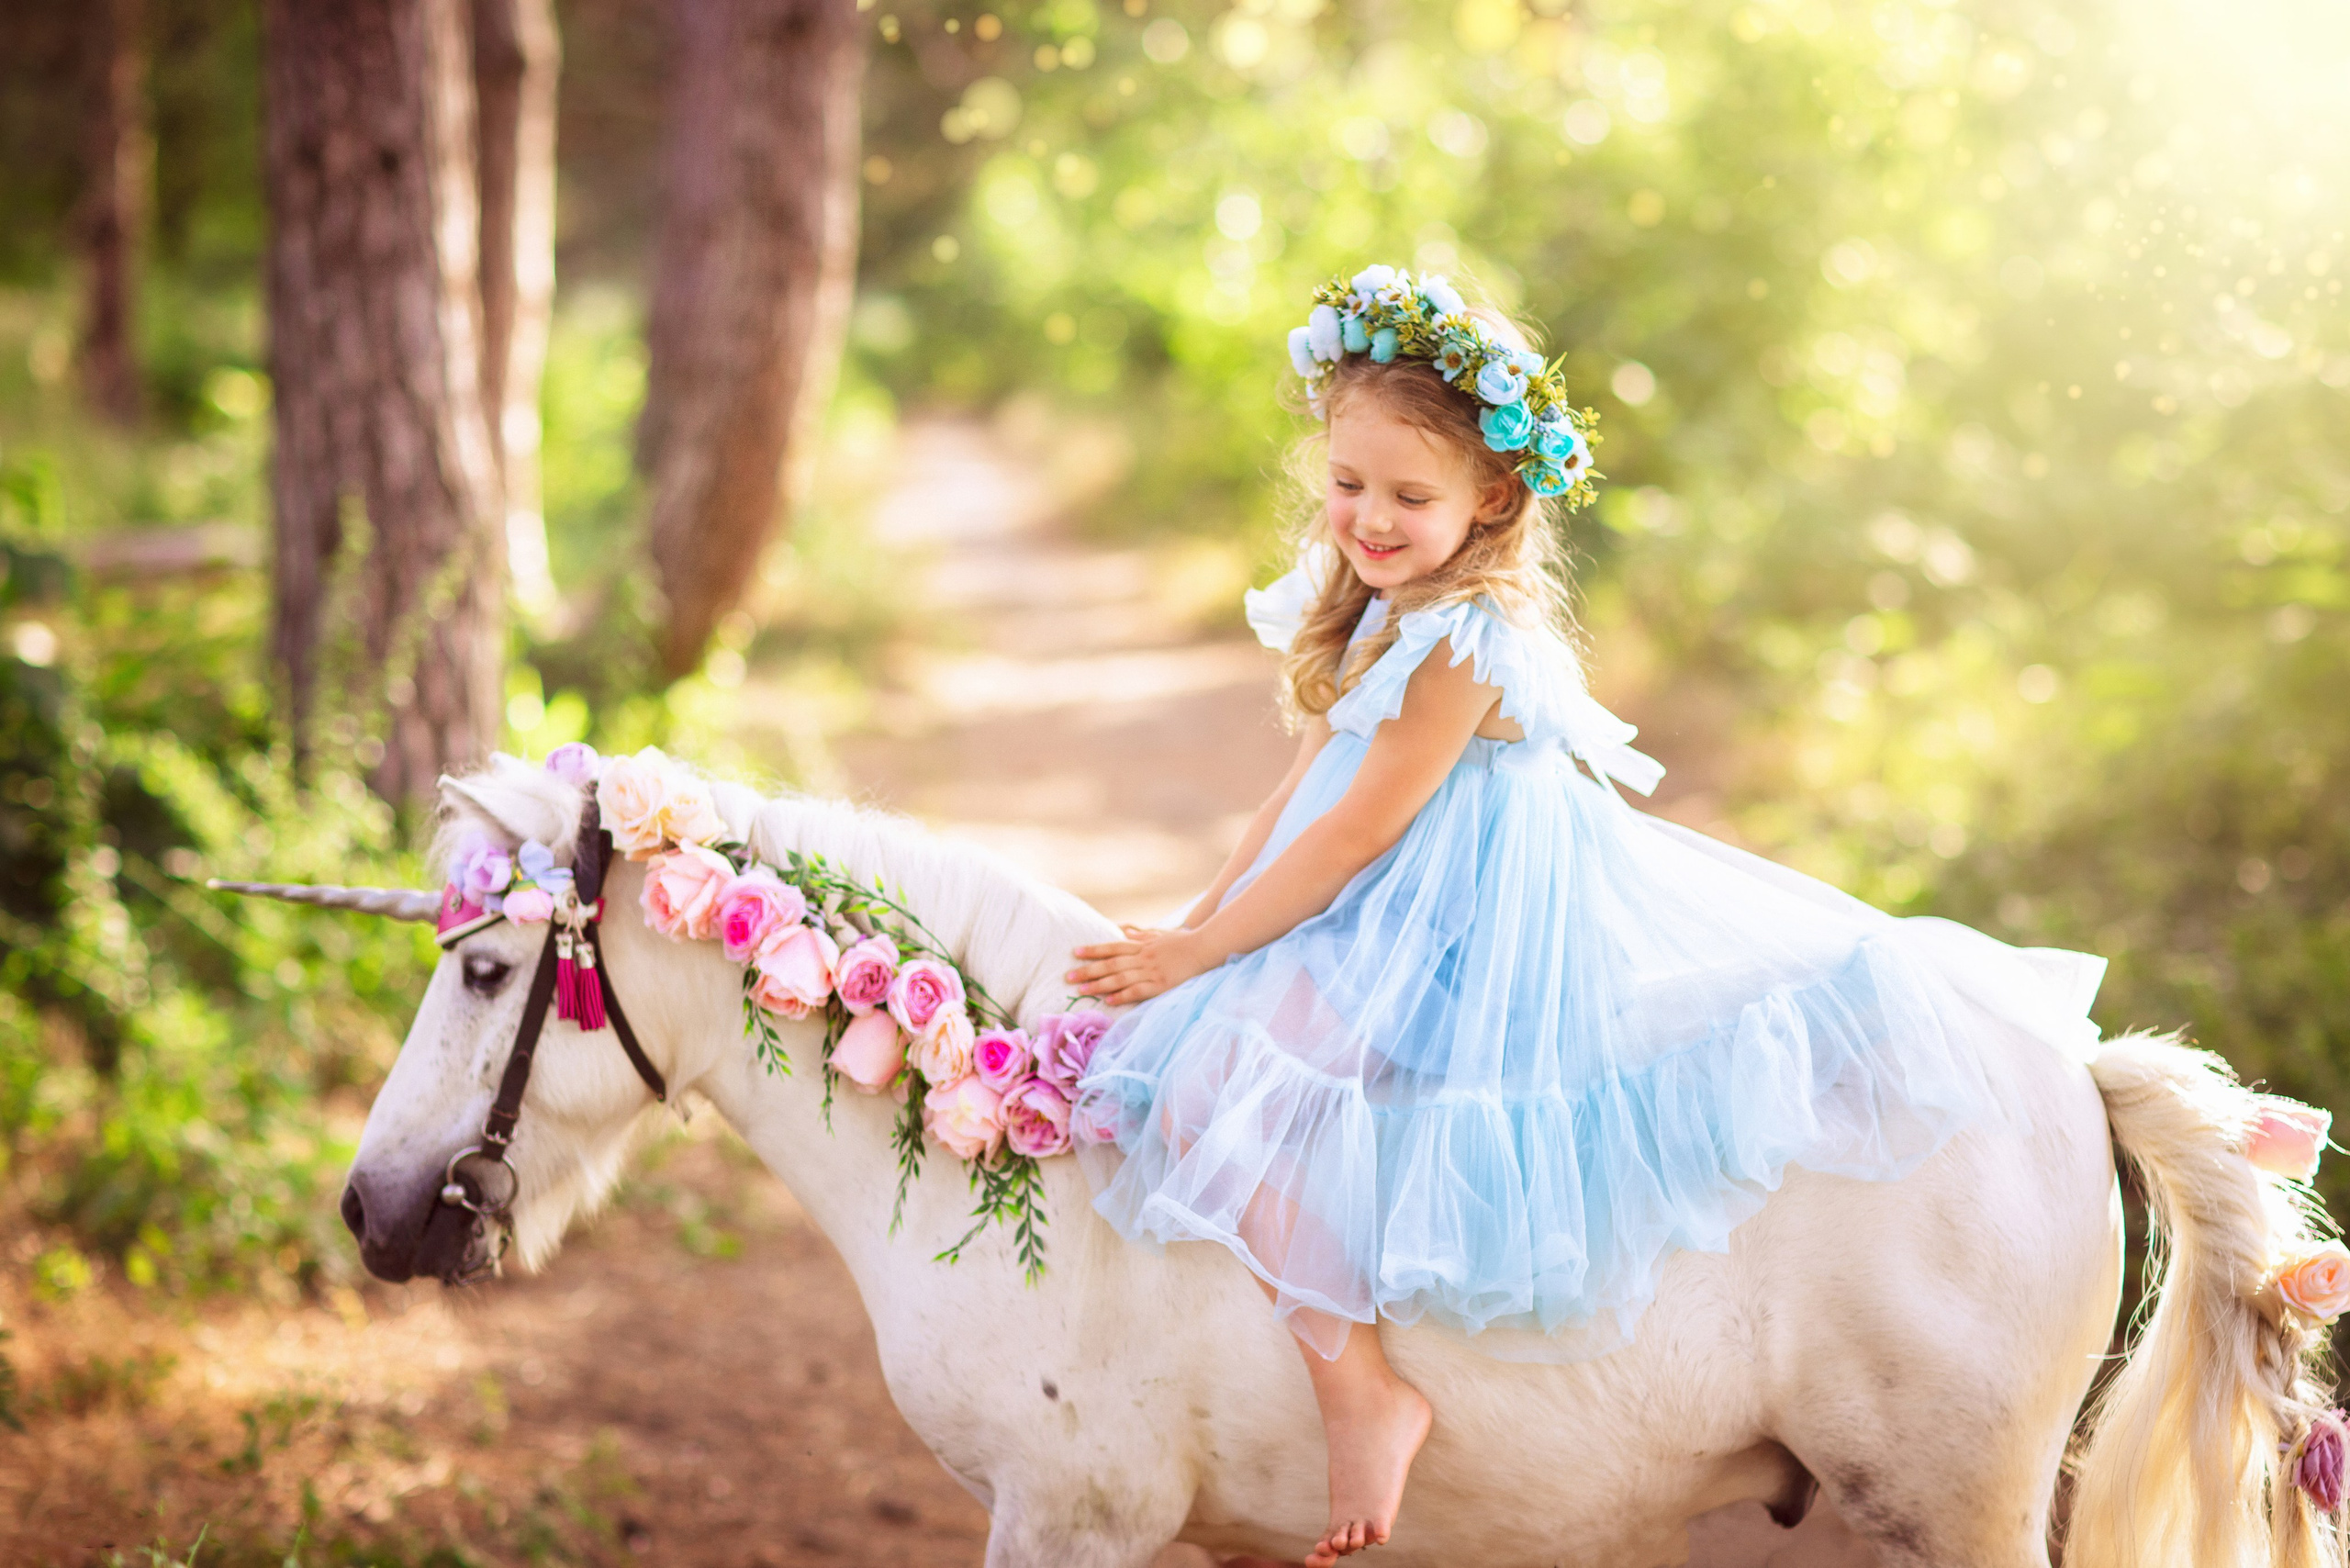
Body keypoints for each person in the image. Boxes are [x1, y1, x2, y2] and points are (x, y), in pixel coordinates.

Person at [1061, 264, 2104, 1566]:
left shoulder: (1461, 639)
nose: (1367, 519)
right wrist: (1191, 932)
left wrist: (1212, 955)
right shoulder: (1384, 606)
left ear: (1494, 498)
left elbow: (1358, 830)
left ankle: (1364, 1390)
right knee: (1203, 1022)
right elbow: (1294, 794)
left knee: (1226, 1077)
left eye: (1408, 496)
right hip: (1393, 907)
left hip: (1463, 936)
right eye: (1347, 485)